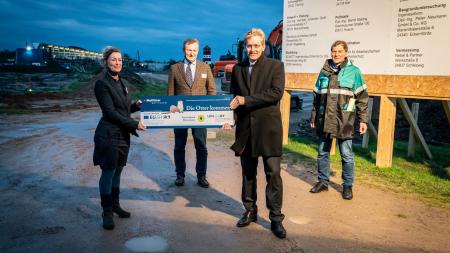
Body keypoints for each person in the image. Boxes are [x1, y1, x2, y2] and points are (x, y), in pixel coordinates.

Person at [229, 28, 286, 239]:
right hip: (246, 130)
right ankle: (250, 211)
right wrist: (229, 119)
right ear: (245, 47)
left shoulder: (276, 66)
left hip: (268, 130)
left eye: (256, 46)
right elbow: (234, 97)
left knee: (273, 174)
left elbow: (276, 93)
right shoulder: (238, 69)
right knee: (247, 174)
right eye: (249, 46)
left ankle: (276, 219)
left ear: (263, 46)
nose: (252, 49)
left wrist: (246, 100)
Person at [93, 46, 146, 230]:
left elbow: (123, 109)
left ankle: (115, 205)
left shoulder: (121, 82)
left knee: (118, 172)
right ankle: (106, 211)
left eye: (120, 60)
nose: (118, 62)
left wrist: (136, 106)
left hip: (123, 135)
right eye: (114, 59)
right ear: (106, 61)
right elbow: (110, 112)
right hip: (108, 135)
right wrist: (134, 124)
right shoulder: (102, 83)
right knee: (108, 172)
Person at [309, 40, 369, 200]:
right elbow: (316, 96)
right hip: (325, 118)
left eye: (339, 51)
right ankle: (322, 181)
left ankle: (347, 185)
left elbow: (362, 98)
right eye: (334, 51)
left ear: (346, 53)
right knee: (322, 152)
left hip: (344, 119)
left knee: (346, 154)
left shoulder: (354, 72)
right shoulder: (323, 72)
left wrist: (363, 120)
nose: (336, 54)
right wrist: (314, 115)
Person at [167, 38, 216, 188]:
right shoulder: (175, 68)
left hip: (200, 116)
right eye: (189, 50)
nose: (191, 53)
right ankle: (180, 175)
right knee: (179, 146)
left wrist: (209, 111)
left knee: (201, 146)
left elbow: (212, 91)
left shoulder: (205, 68)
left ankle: (201, 176)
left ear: (198, 51)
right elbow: (170, 94)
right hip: (179, 116)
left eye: (194, 50)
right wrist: (171, 112)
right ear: (184, 50)